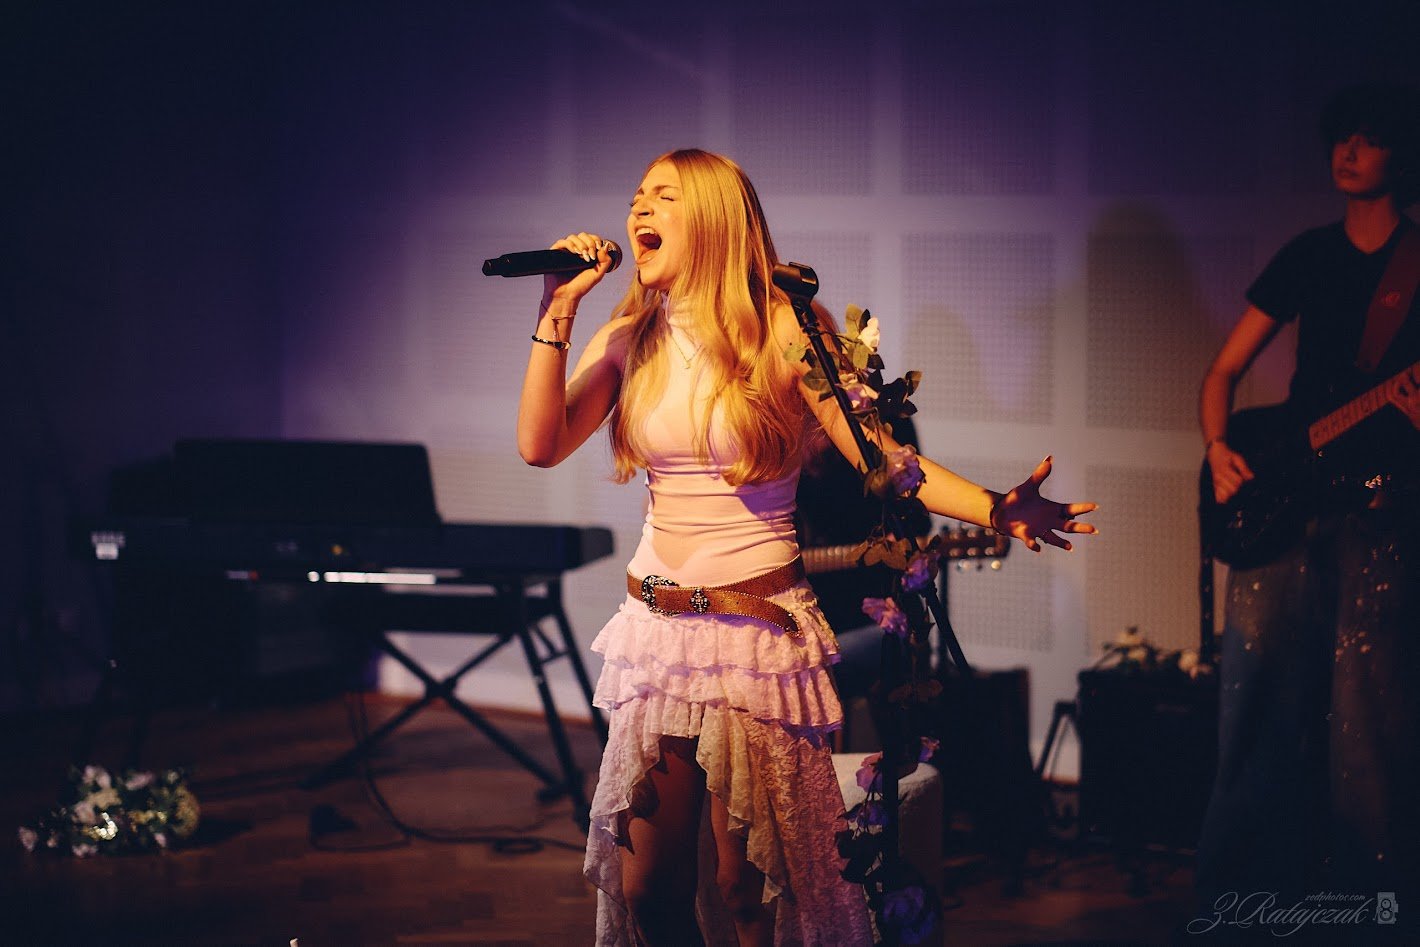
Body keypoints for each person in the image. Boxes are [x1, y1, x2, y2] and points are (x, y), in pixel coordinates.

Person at [517, 148, 1096, 946]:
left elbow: (885, 458)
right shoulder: (628, 337)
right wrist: (557, 308)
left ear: (715, 217)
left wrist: (996, 508)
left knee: (745, 886)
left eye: (663, 196)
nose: (638, 209)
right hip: (658, 634)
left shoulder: (783, 332)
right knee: (649, 888)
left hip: (755, 633)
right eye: (635, 195)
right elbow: (540, 443)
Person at [1196, 82, 1420, 922]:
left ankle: (1371, 912)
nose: (1347, 152)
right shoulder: (1307, 254)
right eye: (1341, 137)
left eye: (1369, 138)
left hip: (1382, 513)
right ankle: (1238, 902)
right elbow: (1223, 371)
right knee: (1254, 703)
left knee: (1369, 727)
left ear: (1402, 153)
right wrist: (1218, 448)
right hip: (1286, 498)